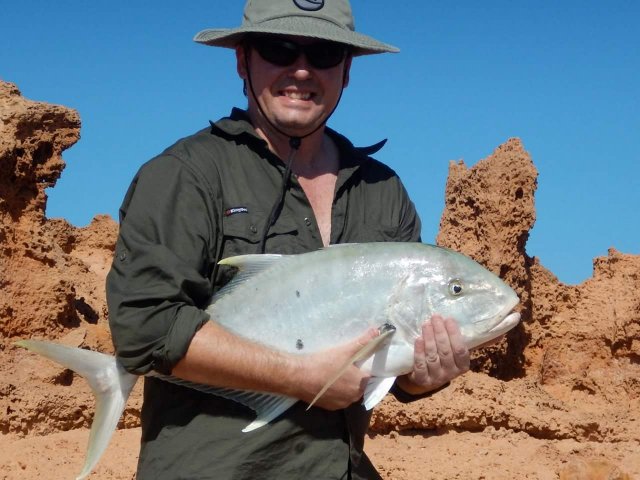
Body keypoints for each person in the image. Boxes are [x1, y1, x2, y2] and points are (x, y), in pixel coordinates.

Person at [106, 1, 470, 478]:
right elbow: (147, 330)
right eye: (279, 49)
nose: (301, 70)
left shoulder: (382, 191)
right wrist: (301, 377)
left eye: (323, 54)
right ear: (242, 59)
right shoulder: (186, 176)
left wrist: (425, 375)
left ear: (346, 70)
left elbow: (395, 377)